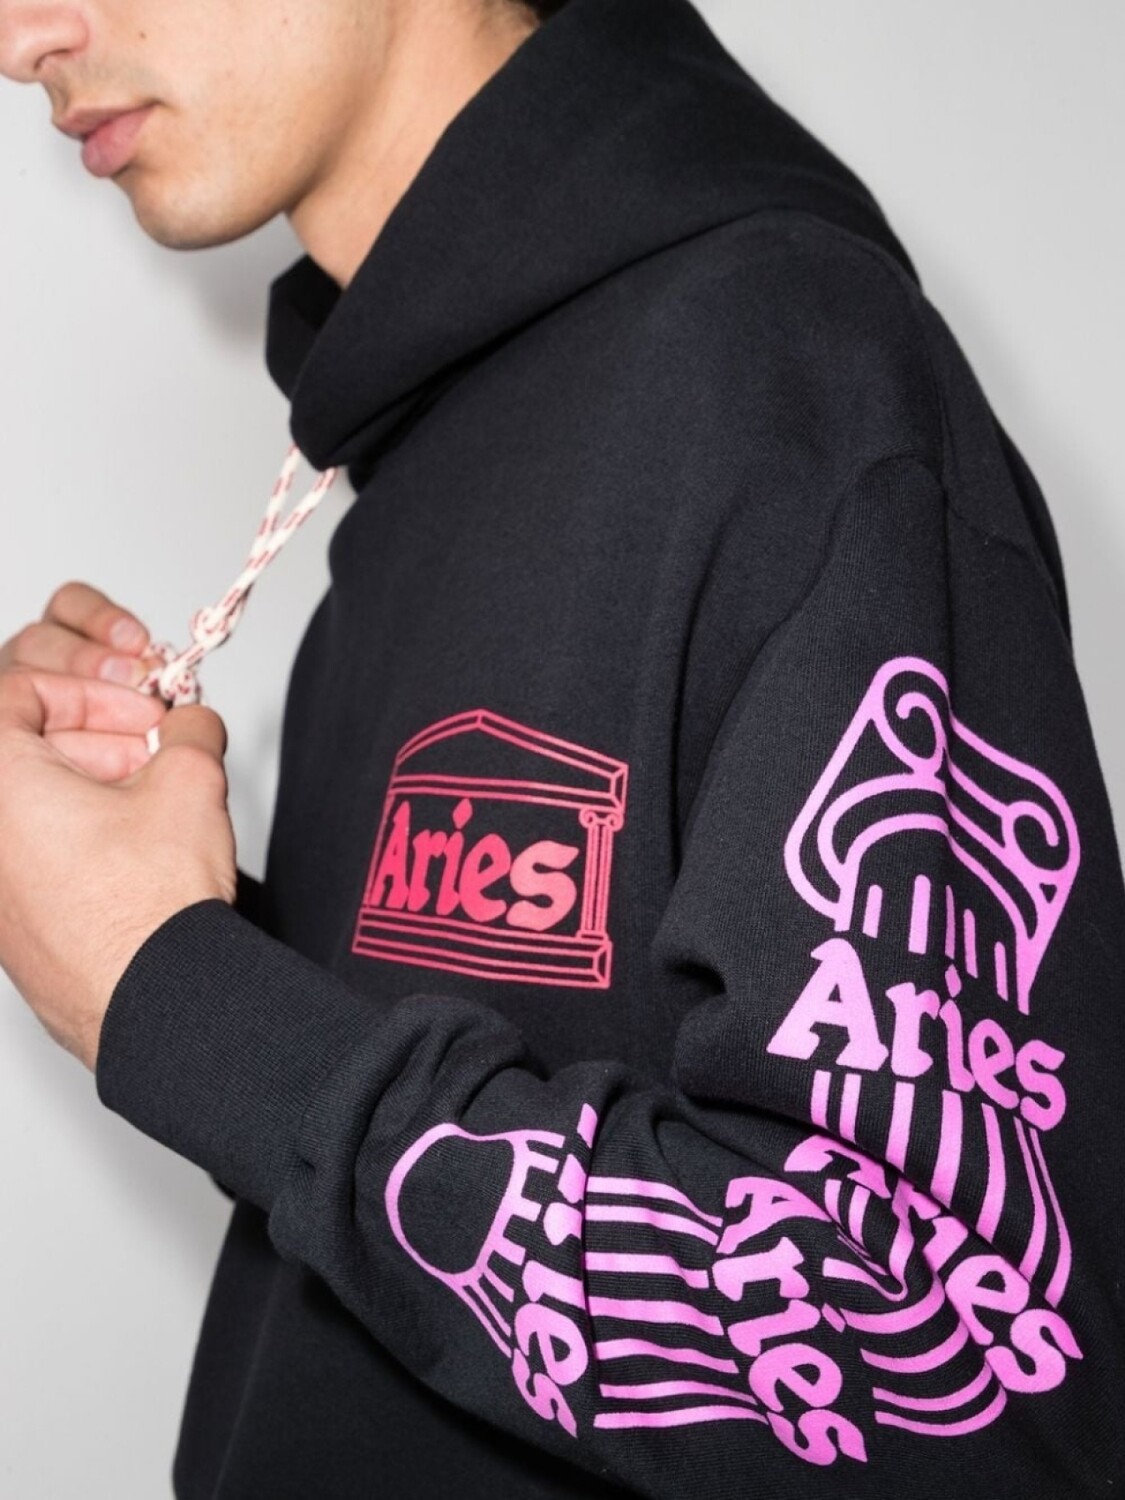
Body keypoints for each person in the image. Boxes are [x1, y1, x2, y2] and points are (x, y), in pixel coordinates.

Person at [0, 0, 1121, 1496]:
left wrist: (172, 993)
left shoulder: (792, 382)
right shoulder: (426, 456)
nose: (22, 34)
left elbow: (982, 1374)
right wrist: (168, 920)